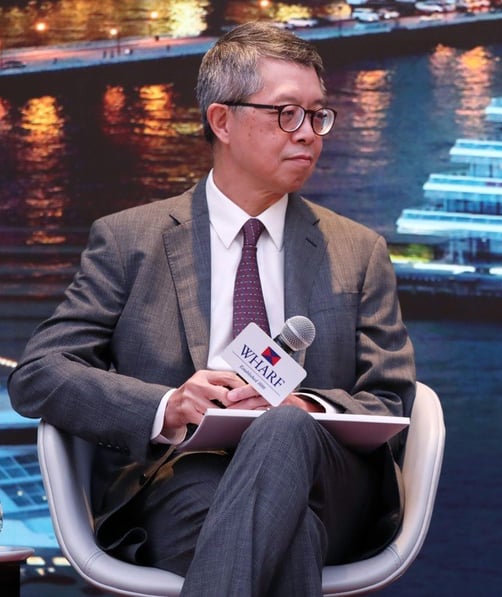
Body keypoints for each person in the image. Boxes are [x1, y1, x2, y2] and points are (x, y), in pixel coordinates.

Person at [8, 21, 416, 596]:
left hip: (332, 481)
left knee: (283, 427)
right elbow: (39, 376)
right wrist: (169, 406)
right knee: (282, 533)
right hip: (180, 479)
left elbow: (391, 400)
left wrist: (302, 404)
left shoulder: (357, 250)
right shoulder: (131, 240)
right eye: (286, 113)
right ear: (221, 121)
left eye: (318, 115)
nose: (308, 134)